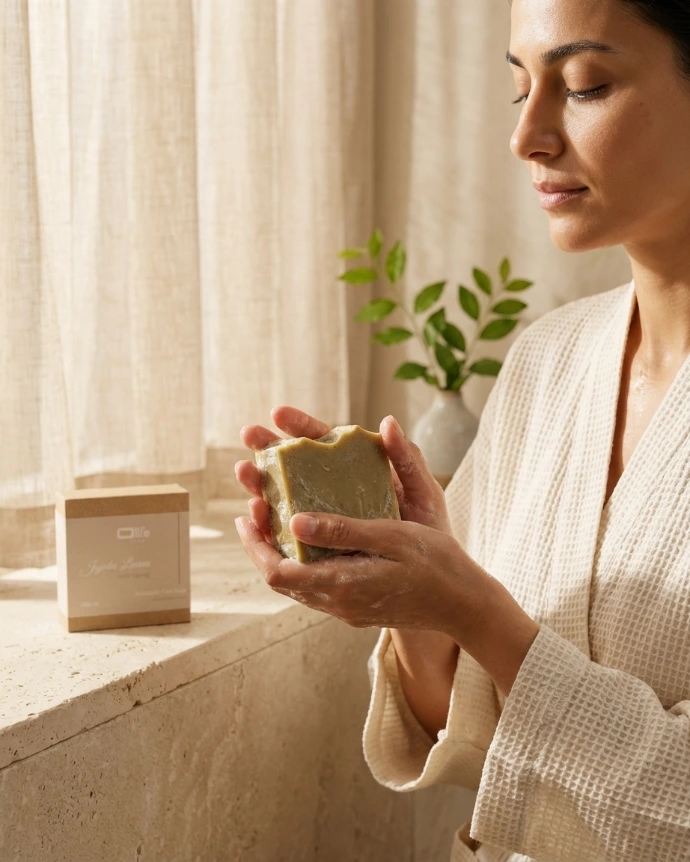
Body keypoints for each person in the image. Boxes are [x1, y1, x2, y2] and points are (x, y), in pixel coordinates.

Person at [234, 0, 690, 858]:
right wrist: (415, 596)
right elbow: (466, 724)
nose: (528, 138)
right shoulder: (546, 363)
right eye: (522, 89)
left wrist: (475, 610)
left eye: (586, 85)